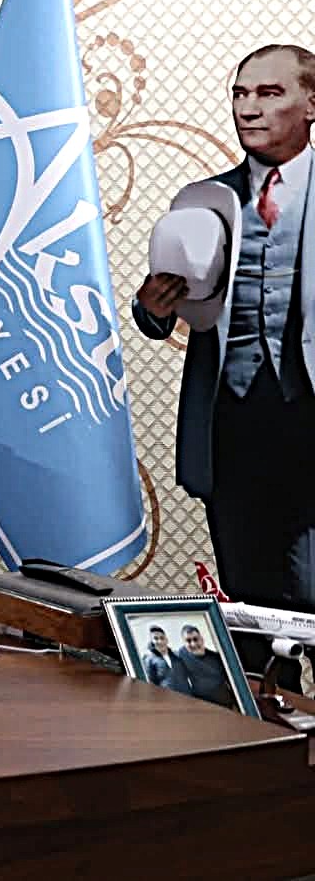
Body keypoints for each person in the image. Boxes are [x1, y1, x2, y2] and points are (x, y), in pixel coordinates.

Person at [134, 43, 315, 611]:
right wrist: (154, 307)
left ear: (311, 104)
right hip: (232, 428)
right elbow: (161, 313)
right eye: (240, 94)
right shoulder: (205, 200)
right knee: (248, 601)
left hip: (308, 420)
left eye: (269, 93)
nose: (248, 108)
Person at [170, 624, 238, 708]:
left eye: (196, 639)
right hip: (202, 704)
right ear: (184, 643)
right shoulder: (181, 655)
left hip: (224, 703)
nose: (193, 644)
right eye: (188, 641)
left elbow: (233, 683)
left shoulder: (217, 658)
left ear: (202, 639)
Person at [141, 625, 191, 693]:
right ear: (152, 642)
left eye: (162, 638)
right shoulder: (149, 661)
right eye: (156, 639)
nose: (160, 641)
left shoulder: (177, 655)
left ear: (166, 640)